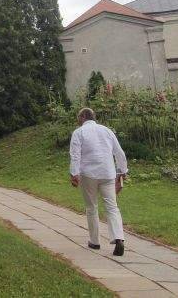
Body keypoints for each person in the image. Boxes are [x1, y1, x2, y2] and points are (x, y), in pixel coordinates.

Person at [69, 107, 128, 256]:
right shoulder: (107, 131)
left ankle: (95, 241)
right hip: (108, 173)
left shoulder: (79, 132)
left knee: (91, 207)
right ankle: (118, 238)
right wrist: (122, 171)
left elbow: (75, 155)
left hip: (88, 174)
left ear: (83, 117)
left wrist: (74, 173)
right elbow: (119, 152)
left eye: (78, 117)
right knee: (112, 206)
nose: (78, 120)